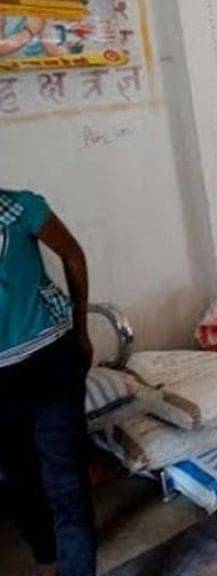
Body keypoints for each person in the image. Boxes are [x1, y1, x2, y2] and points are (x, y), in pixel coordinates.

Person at [0, 189, 96, 576]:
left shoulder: (23, 207)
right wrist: (81, 329)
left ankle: (50, 562)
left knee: (27, 479)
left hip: (46, 363)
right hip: (50, 360)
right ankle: (58, 564)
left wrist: (81, 331)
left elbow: (73, 256)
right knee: (61, 482)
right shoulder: (21, 208)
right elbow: (72, 255)